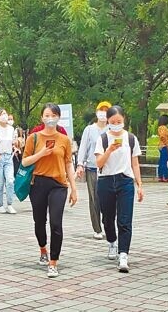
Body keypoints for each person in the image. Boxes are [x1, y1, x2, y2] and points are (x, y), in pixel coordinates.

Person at [21, 103, 77, 278]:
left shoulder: (64, 139)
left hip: (58, 185)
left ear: (59, 117)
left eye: (53, 115)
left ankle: (53, 262)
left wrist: (74, 188)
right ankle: (43, 249)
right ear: (42, 117)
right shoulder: (34, 138)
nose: (50, 118)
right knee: (39, 221)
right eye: (47, 115)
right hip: (37, 184)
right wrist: (41, 154)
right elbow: (24, 162)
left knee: (56, 223)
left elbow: (68, 163)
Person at [94, 105, 144, 273]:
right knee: (107, 218)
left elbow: (135, 163)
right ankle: (112, 242)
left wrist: (139, 185)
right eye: (113, 122)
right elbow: (99, 164)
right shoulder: (103, 139)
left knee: (124, 220)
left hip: (125, 181)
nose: (116, 124)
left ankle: (124, 254)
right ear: (108, 121)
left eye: (119, 121)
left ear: (124, 120)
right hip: (106, 181)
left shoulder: (130, 138)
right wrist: (109, 150)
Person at [76, 101, 111, 240]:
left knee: (107, 199)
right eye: (101, 110)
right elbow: (83, 147)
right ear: (97, 112)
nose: (103, 114)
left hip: (108, 168)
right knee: (94, 198)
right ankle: (97, 228)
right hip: (92, 167)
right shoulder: (89, 129)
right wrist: (80, 164)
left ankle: (107, 224)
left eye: (106, 111)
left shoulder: (111, 130)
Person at [157, 114, 168, 182]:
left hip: (162, 146)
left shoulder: (162, 128)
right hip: (164, 146)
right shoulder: (163, 127)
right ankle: (165, 176)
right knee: (164, 162)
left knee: (162, 161)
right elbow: (162, 136)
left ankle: (161, 176)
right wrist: (167, 144)